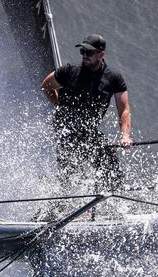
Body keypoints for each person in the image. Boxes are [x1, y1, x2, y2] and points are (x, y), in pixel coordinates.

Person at [41, 33, 132, 194]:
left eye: (89, 53)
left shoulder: (113, 78)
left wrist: (125, 135)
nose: (85, 56)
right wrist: (58, 104)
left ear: (101, 54)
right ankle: (59, 206)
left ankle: (109, 206)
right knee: (70, 172)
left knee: (110, 166)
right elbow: (46, 86)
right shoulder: (69, 71)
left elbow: (124, 110)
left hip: (88, 131)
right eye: (82, 52)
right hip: (66, 130)